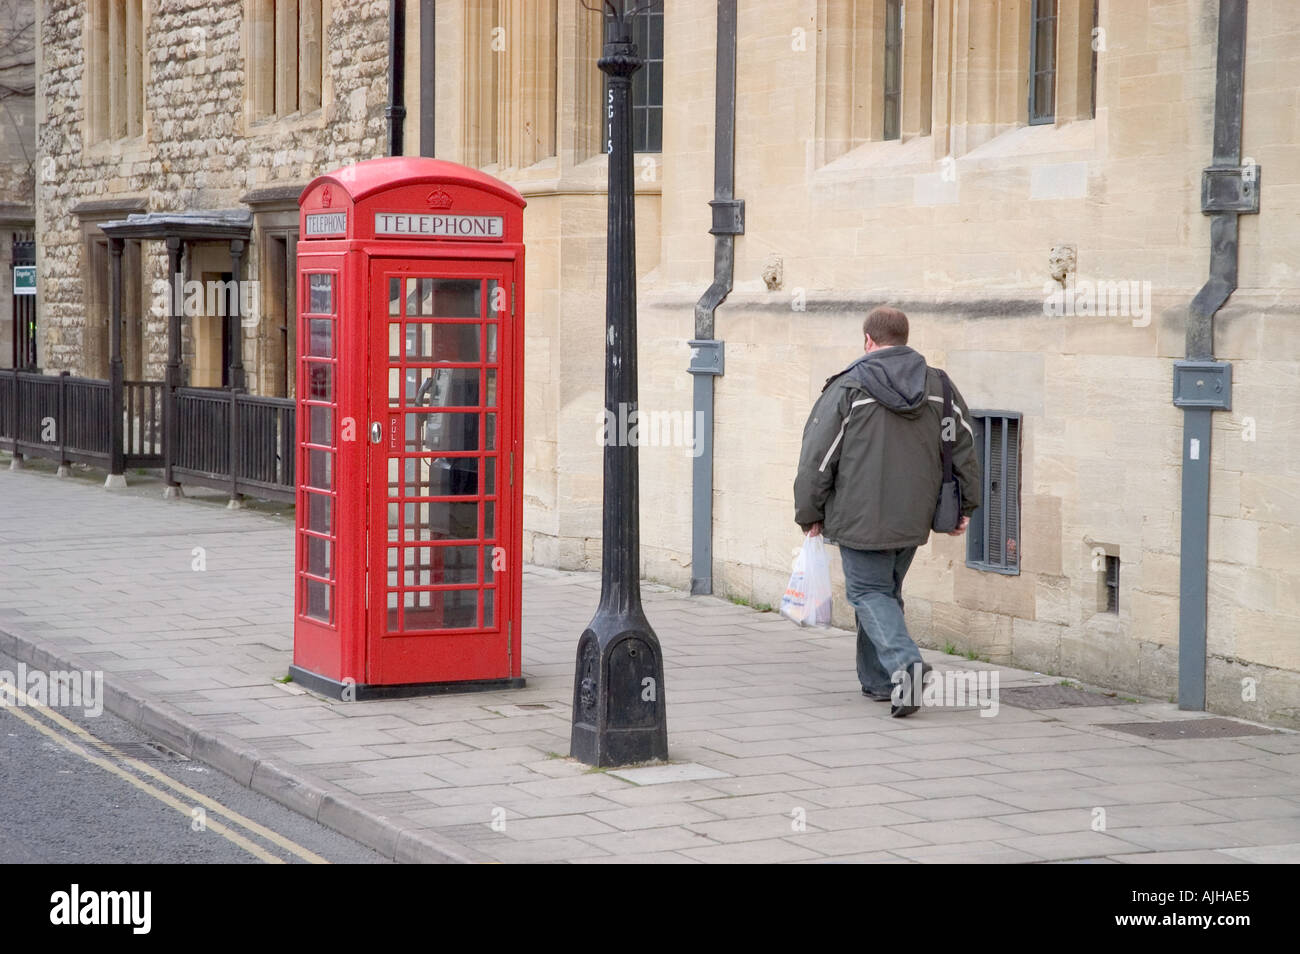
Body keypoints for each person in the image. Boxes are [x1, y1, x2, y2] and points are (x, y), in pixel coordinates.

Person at [793, 306, 981, 717]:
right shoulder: (940, 386)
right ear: (905, 337)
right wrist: (966, 504)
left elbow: (817, 458)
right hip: (913, 517)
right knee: (884, 593)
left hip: (860, 517)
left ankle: (905, 666)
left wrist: (809, 511)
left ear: (868, 341)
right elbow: (964, 445)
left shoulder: (849, 387)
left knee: (867, 592)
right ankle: (878, 682)